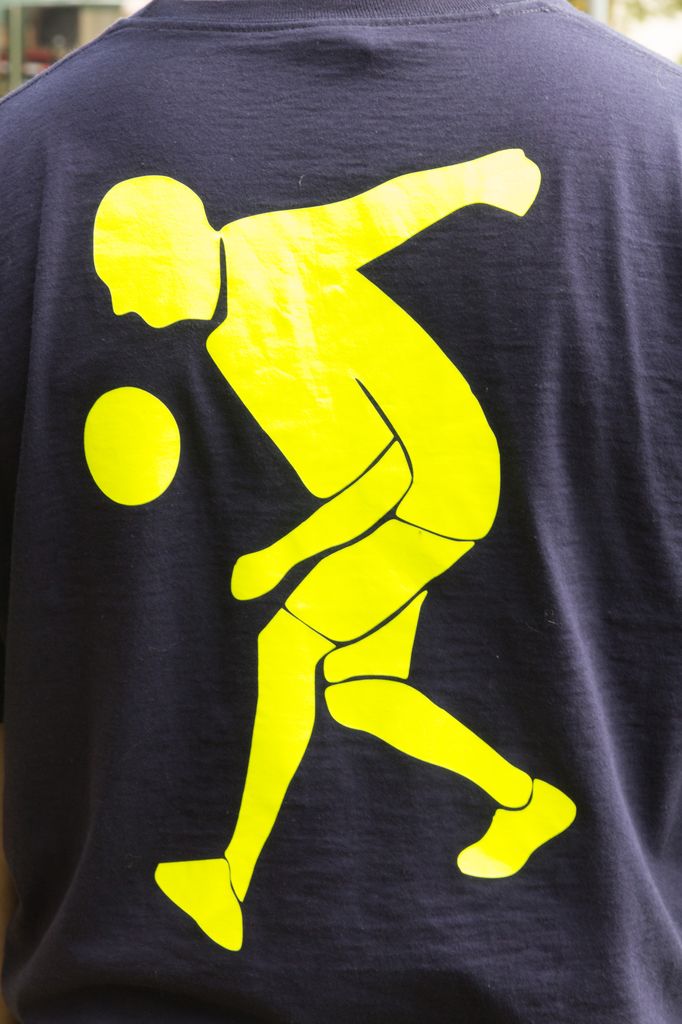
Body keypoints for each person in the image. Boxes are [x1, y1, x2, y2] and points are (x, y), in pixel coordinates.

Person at [0, 0, 680, 1020]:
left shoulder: (208, 236)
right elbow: (357, 466)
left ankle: (228, 875)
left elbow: (378, 226)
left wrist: (482, 180)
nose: (124, 306)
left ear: (169, 248)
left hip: (440, 485)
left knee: (288, 645)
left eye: (126, 280)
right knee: (358, 689)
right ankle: (527, 798)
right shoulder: (660, 138)